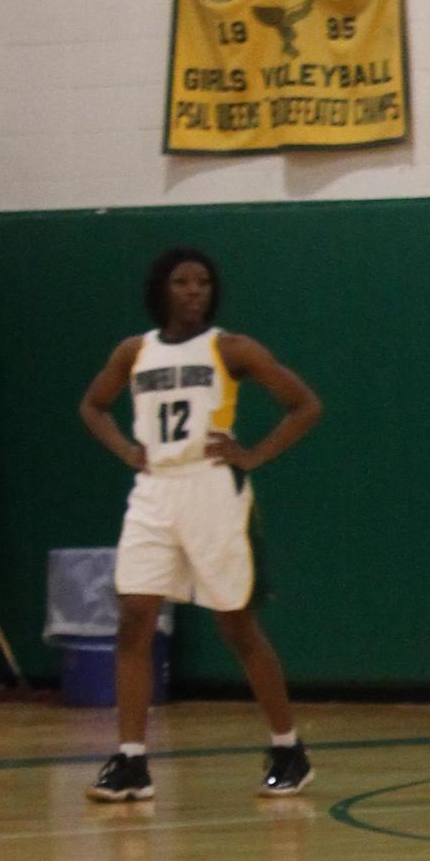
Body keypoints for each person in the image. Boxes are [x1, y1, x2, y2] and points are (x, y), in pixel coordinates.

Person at [76, 247, 322, 802]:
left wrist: (254, 454)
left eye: (203, 282)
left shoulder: (231, 348)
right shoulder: (133, 351)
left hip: (211, 488)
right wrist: (126, 449)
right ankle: (131, 761)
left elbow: (304, 404)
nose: (193, 291)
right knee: (133, 618)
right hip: (154, 488)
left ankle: (289, 748)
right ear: (160, 289)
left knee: (236, 625)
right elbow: (93, 405)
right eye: (182, 282)